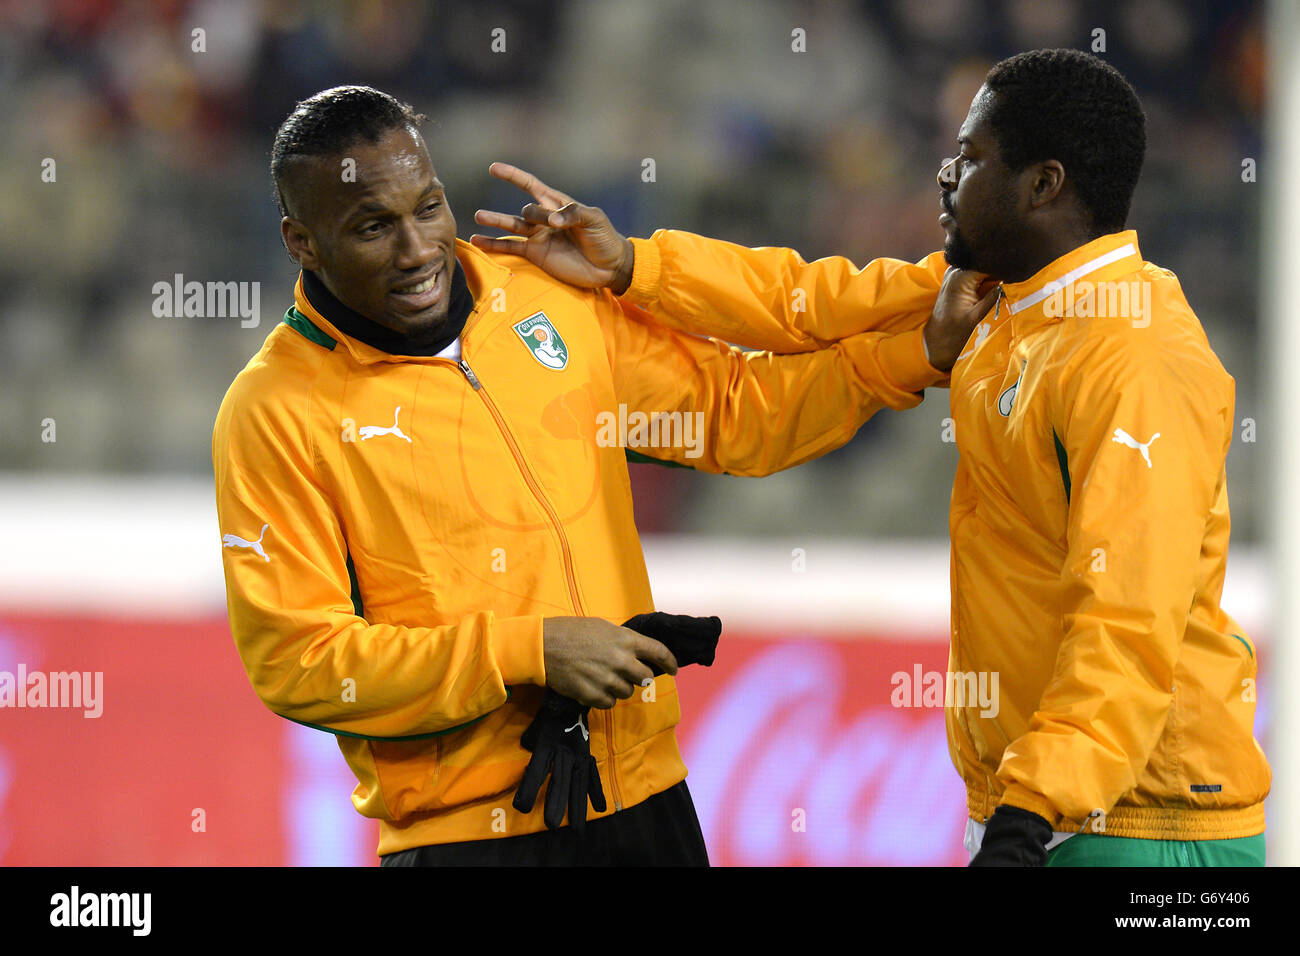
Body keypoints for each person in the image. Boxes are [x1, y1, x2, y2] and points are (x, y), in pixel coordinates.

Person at [473, 49, 1270, 866]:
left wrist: (1036, 806)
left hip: (1144, 823)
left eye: (969, 157)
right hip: (1044, 803)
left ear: (1043, 185)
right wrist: (638, 267)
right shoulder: (1007, 296)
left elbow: (1127, 618)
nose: (944, 175)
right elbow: (809, 300)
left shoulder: (1137, 359)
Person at [211, 86, 988, 866]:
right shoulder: (274, 411)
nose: (418, 249)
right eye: (374, 227)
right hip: (469, 839)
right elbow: (299, 663)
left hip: (646, 801)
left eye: (429, 208)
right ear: (301, 242)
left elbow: (734, 413)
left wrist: (917, 352)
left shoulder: (540, 296)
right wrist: (527, 652)